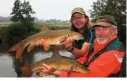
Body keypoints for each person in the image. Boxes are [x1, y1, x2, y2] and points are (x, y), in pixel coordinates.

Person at [34, 15, 125, 77]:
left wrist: (55, 71)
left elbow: (89, 76)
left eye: (104, 29)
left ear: (114, 31)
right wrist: (60, 64)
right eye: (97, 29)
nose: (99, 33)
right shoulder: (96, 45)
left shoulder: (114, 53)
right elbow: (81, 61)